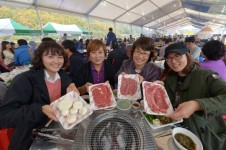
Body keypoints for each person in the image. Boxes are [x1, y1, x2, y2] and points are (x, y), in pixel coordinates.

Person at [0, 42, 79, 150]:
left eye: (60, 57)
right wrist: (40, 109)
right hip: (30, 138)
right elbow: (4, 115)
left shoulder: (62, 75)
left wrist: (72, 87)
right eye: (50, 56)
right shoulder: (24, 80)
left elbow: (65, 83)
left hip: (57, 133)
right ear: (40, 58)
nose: (56, 61)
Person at [161, 43, 226, 150]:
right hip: (177, 129)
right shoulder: (170, 78)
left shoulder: (206, 76)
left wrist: (197, 104)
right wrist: (159, 90)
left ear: (187, 55)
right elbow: (169, 103)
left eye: (177, 56)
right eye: (169, 58)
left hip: (207, 136)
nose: (173, 61)